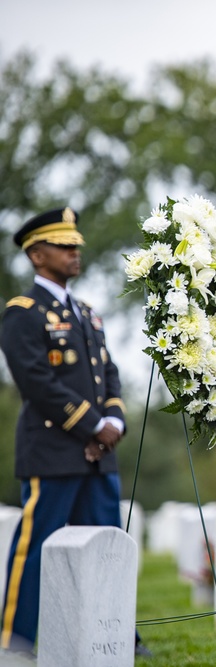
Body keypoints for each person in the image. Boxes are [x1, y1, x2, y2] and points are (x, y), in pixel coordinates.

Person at [0, 208, 151, 658]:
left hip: (99, 453)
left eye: (76, 245)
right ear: (36, 254)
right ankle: (15, 638)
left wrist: (116, 421)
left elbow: (109, 372)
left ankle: (118, 632)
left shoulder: (85, 312)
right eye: (64, 246)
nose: (75, 251)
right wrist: (93, 425)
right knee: (36, 544)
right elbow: (35, 381)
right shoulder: (23, 313)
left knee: (107, 543)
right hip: (53, 451)